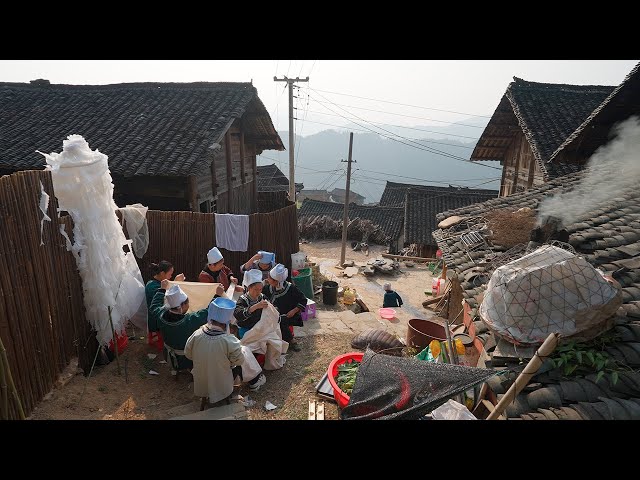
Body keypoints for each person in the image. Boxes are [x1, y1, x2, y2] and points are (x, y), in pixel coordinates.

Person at [185, 297, 266, 407]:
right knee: (244, 352)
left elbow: (188, 353)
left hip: (201, 382)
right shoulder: (229, 340)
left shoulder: (197, 334)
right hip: (221, 384)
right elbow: (239, 360)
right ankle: (254, 381)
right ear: (227, 322)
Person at [149, 279, 225, 373]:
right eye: (188, 303)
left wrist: (162, 289)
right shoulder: (189, 321)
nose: (189, 305)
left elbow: (154, 306)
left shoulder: (160, 315)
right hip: (186, 359)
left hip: (168, 355)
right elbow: (207, 312)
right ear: (183, 305)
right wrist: (217, 295)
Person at [263, 264, 306, 352]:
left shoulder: (291, 288)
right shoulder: (267, 288)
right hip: (272, 315)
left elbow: (303, 300)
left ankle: (292, 341)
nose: (268, 280)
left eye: (270, 278)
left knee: (281, 320)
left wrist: (294, 311)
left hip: (288, 315)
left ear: (277, 281)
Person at [145, 261, 185, 333]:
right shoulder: (152, 286)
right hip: (156, 319)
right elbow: (166, 299)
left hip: (162, 314)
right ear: (162, 273)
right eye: (170, 274)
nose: (171, 277)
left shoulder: (160, 283)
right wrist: (176, 283)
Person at [234, 269, 269, 339]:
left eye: (260, 289)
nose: (258, 292)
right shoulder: (243, 299)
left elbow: (272, 307)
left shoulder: (262, 297)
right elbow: (237, 314)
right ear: (249, 288)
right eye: (255, 289)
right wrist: (255, 307)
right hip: (245, 328)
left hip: (259, 327)